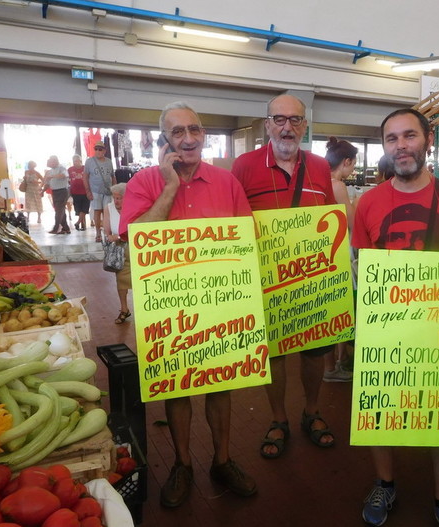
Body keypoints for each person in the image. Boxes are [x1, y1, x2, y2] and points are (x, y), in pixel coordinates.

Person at [352, 108, 439, 527]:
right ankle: (385, 484)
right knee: (379, 412)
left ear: (428, 140)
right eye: (391, 139)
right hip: (385, 327)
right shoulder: (368, 203)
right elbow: (361, 262)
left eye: (409, 136)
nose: (401, 146)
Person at [119, 101, 257, 508]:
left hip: (219, 299)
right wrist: (170, 185)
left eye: (194, 130)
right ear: (165, 140)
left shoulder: (227, 182)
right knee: (177, 387)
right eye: (177, 132)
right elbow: (136, 238)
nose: (187, 139)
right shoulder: (144, 182)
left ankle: (222, 460)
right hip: (168, 303)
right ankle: (181, 463)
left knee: (221, 383)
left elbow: (244, 237)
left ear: (204, 136)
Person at [232, 94, 337, 459]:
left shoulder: (321, 166)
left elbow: (331, 221)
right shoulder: (244, 166)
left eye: (295, 120)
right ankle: (279, 418)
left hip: (311, 279)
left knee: (313, 351)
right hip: (266, 280)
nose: (287, 127)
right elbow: (234, 222)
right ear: (267, 124)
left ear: (305, 126)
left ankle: (311, 410)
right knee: (273, 352)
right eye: (279, 119)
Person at [323, 136, 358, 383]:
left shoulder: (320, 181)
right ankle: (334, 366)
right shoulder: (336, 185)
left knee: (329, 310)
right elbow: (352, 222)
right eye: (354, 164)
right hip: (339, 252)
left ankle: (334, 363)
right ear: (345, 161)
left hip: (324, 253)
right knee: (340, 310)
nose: (354, 169)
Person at [102, 182, 131, 324]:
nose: (116, 201)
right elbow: (107, 231)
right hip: (120, 250)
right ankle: (124, 309)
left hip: (135, 247)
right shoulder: (109, 208)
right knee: (121, 280)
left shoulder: (135, 207)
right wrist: (111, 236)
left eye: (119, 198)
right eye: (114, 198)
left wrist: (120, 236)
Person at [84, 140, 115, 242]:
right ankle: (98, 233)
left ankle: (107, 232)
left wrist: (115, 189)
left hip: (107, 191)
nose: (97, 151)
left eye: (100, 149)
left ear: (104, 151)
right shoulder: (89, 161)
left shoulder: (109, 161)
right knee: (97, 211)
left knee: (107, 212)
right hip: (95, 190)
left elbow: (112, 176)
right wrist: (88, 191)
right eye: (96, 149)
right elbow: (85, 177)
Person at [43, 155, 70, 235]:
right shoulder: (50, 171)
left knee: (59, 210)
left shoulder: (62, 168)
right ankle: (66, 228)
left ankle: (56, 227)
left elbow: (64, 175)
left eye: (51, 161)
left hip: (63, 191)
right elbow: (47, 184)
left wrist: (52, 176)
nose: (50, 163)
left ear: (55, 161)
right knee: (60, 210)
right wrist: (42, 191)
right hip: (54, 192)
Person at [68, 155, 89, 231]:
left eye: (77, 161)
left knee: (85, 208)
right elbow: (68, 180)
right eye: (74, 161)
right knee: (78, 209)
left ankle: (79, 222)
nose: (75, 163)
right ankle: (81, 224)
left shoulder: (85, 168)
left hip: (85, 191)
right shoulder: (70, 169)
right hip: (75, 192)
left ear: (80, 161)